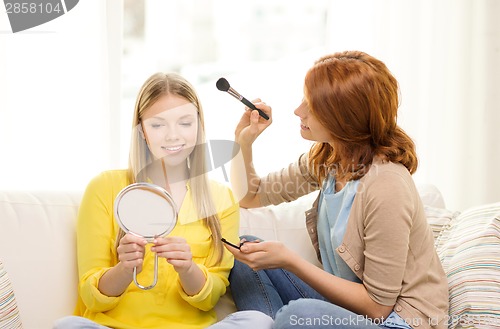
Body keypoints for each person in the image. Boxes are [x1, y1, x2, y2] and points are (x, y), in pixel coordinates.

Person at [226, 51, 449, 328]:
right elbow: (251, 195)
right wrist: (243, 142)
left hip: (398, 321)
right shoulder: (327, 159)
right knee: (247, 251)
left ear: (344, 117)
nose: (298, 111)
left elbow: (378, 307)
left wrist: (290, 261)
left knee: (298, 316)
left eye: (312, 105)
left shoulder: (387, 185)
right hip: (348, 312)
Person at [53, 73, 273, 329]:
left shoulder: (221, 199)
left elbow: (210, 298)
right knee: (67, 325)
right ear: (142, 131)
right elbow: (91, 297)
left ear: (199, 126)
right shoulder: (104, 187)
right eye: (157, 125)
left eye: (185, 123)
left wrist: (188, 269)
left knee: (256, 321)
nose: (172, 136)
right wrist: (124, 269)